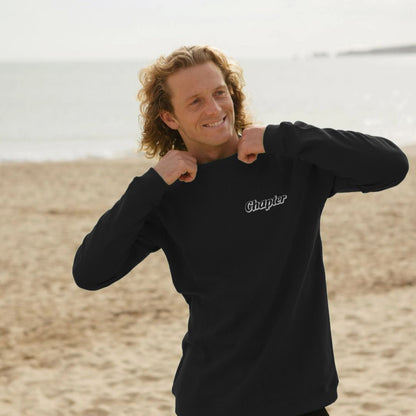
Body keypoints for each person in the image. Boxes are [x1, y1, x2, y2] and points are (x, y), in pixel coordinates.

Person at [72, 45, 409, 416]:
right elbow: (90, 272)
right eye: (195, 101)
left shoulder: (288, 162)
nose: (214, 109)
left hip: (301, 400)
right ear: (170, 118)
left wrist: (282, 137)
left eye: (219, 93)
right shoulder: (168, 197)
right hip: (213, 401)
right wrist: (150, 183)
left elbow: (391, 166)